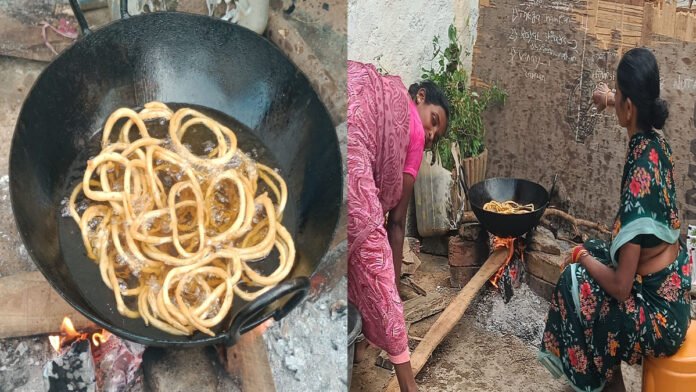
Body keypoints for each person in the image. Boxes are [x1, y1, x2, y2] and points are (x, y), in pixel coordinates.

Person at [538, 47, 691, 392]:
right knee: (595, 246)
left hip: (661, 318)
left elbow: (622, 289)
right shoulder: (656, 143)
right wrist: (607, 97)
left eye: (618, 95)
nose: (615, 99)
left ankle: (606, 385)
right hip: (673, 288)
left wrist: (581, 257)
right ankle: (608, 374)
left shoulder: (638, 183)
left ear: (630, 106)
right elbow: (628, 104)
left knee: (575, 282)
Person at [347, 60, 449, 392]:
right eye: (435, 120)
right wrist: (391, 285)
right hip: (350, 151)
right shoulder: (414, 132)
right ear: (420, 96)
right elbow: (397, 224)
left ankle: (359, 342)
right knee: (373, 260)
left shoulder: (381, 95)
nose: (430, 133)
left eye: (435, 135)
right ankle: (408, 385)